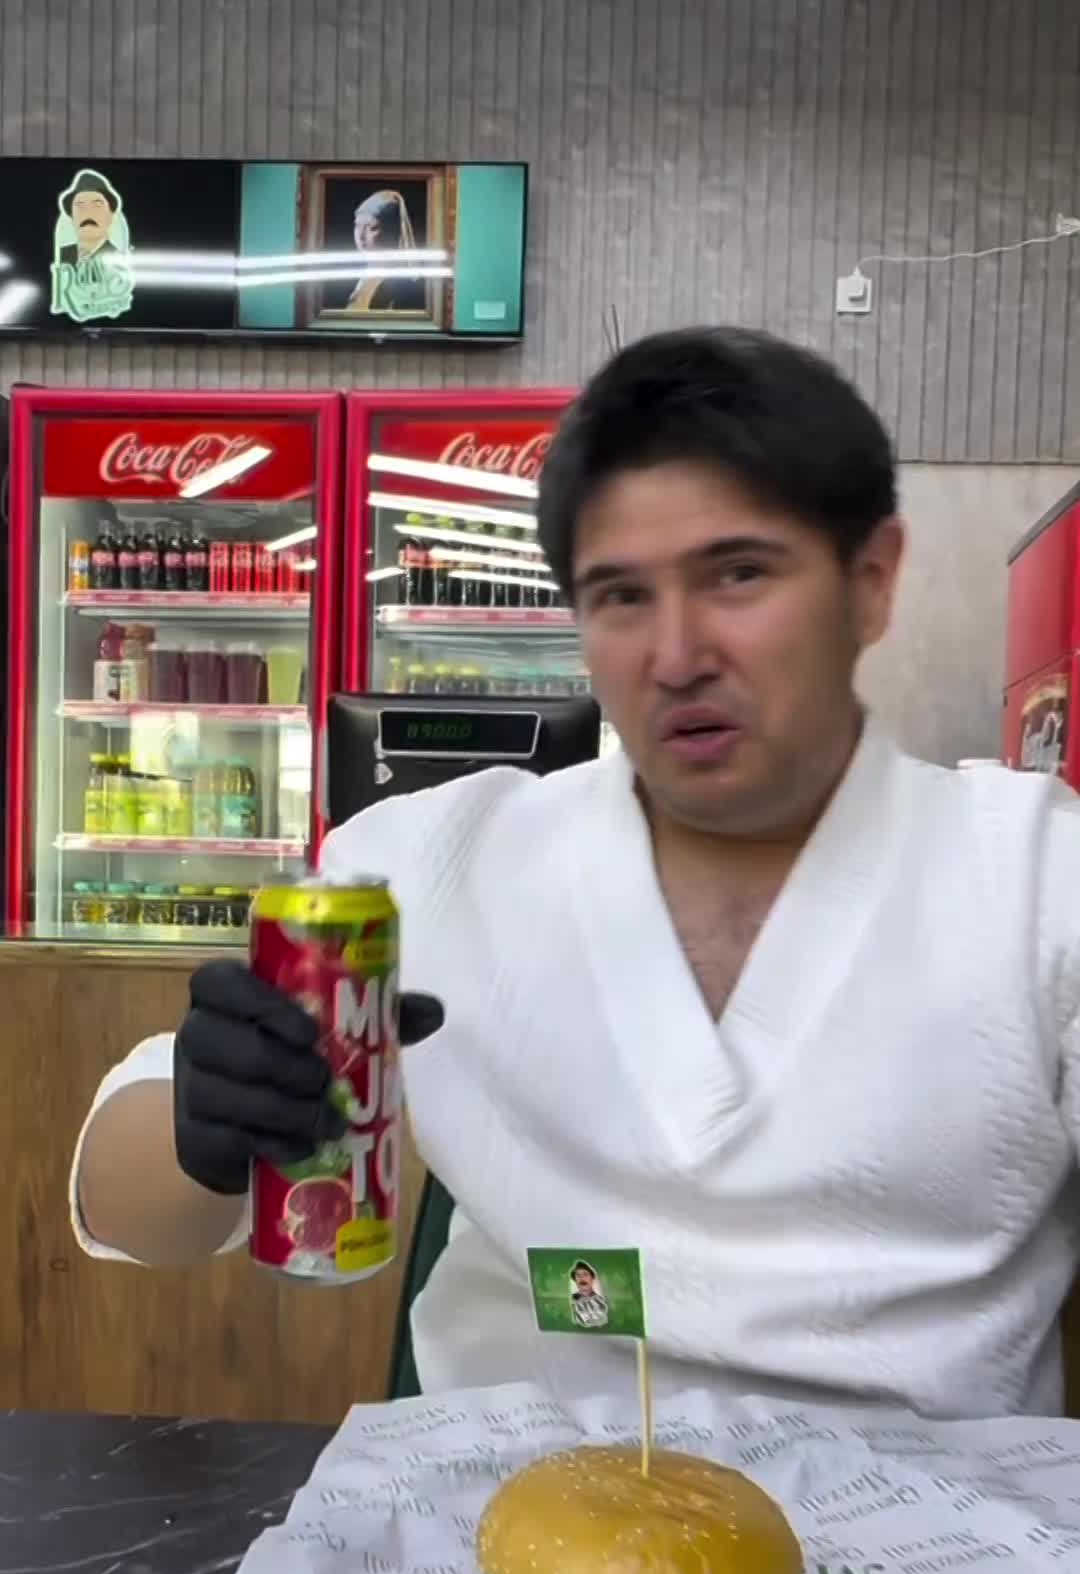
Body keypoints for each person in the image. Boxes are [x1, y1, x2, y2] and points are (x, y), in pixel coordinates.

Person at [73, 326, 1080, 1420]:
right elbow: (124, 1209)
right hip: (516, 1494)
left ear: (871, 583)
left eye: (739, 574)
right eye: (620, 595)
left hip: (932, 1513)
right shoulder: (431, 865)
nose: (677, 656)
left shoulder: (1034, 878)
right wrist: (206, 1131)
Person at [345, 188, 425, 314]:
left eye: (372, 227)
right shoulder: (363, 277)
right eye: (357, 225)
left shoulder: (398, 284)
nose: (360, 236)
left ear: (391, 232)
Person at [58, 170, 122, 266]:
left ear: (110, 217)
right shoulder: (59, 256)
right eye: (80, 205)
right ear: (72, 218)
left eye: (97, 205)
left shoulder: (118, 259)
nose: (88, 212)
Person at [569, 1260, 609, 1330]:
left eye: (585, 1274)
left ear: (592, 1278)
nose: (581, 1278)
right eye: (578, 1275)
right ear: (575, 1280)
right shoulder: (574, 1300)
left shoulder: (600, 1300)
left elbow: (601, 1321)